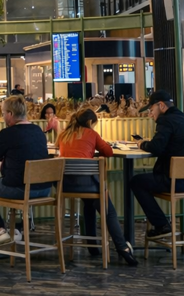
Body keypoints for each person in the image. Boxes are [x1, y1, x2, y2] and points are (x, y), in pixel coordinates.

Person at [57, 108, 137, 266]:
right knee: (109, 212)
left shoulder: (63, 135)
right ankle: (122, 247)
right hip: (88, 185)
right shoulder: (91, 134)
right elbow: (108, 152)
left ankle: (92, 247)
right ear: (89, 123)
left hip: (66, 185)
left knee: (88, 202)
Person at [0, 96, 49, 247]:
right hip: (43, 189)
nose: (3, 116)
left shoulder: (8, 133)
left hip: (20, 188)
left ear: (11, 114)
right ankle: (1, 234)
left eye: (3, 113)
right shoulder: (38, 130)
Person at [131, 91, 184, 239]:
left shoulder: (166, 120)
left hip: (180, 182)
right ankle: (162, 225)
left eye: (151, 110)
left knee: (136, 182)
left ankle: (162, 225)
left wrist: (141, 143)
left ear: (161, 105)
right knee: (143, 181)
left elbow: (156, 148)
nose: (150, 114)